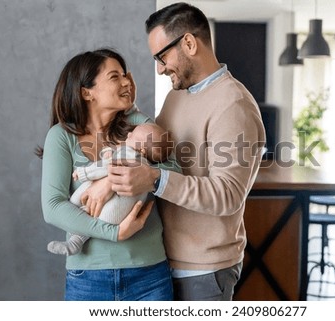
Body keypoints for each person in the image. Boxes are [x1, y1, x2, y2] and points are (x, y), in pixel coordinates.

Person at [107, 2, 266, 301]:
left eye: (162, 56)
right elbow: (156, 156)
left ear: (189, 43)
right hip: (161, 262)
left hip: (204, 270)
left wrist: (154, 179)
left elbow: (228, 195)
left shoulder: (233, 105)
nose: (159, 68)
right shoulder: (175, 98)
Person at [39, 48, 179, 301]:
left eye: (125, 75)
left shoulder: (138, 124)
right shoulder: (61, 137)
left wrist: (108, 181)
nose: (127, 81)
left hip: (148, 273)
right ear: (86, 92)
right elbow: (53, 207)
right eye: (115, 77)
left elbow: (175, 171)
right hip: (89, 278)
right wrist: (115, 233)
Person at [47, 122, 173, 256]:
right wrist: (110, 153)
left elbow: (107, 166)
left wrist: (85, 172)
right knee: (92, 210)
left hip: (114, 211)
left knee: (80, 195)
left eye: (133, 136)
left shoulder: (130, 154)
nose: (129, 134)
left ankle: (76, 237)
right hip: (118, 215)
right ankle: (76, 241)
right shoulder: (144, 167)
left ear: (141, 150)